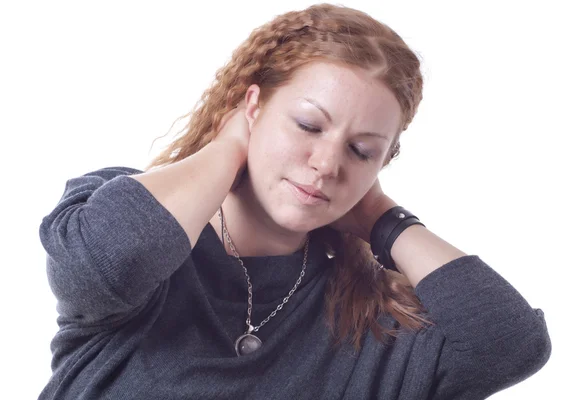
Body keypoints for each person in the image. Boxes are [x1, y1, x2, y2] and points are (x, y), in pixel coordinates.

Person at [37, 4, 551, 399]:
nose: (328, 164)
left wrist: (381, 220)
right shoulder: (127, 212)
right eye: (308, 124)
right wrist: (228, 146)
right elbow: (106, 261)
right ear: (253, 104)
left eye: (361, 150)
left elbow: (508, 346)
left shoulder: (364, 322)